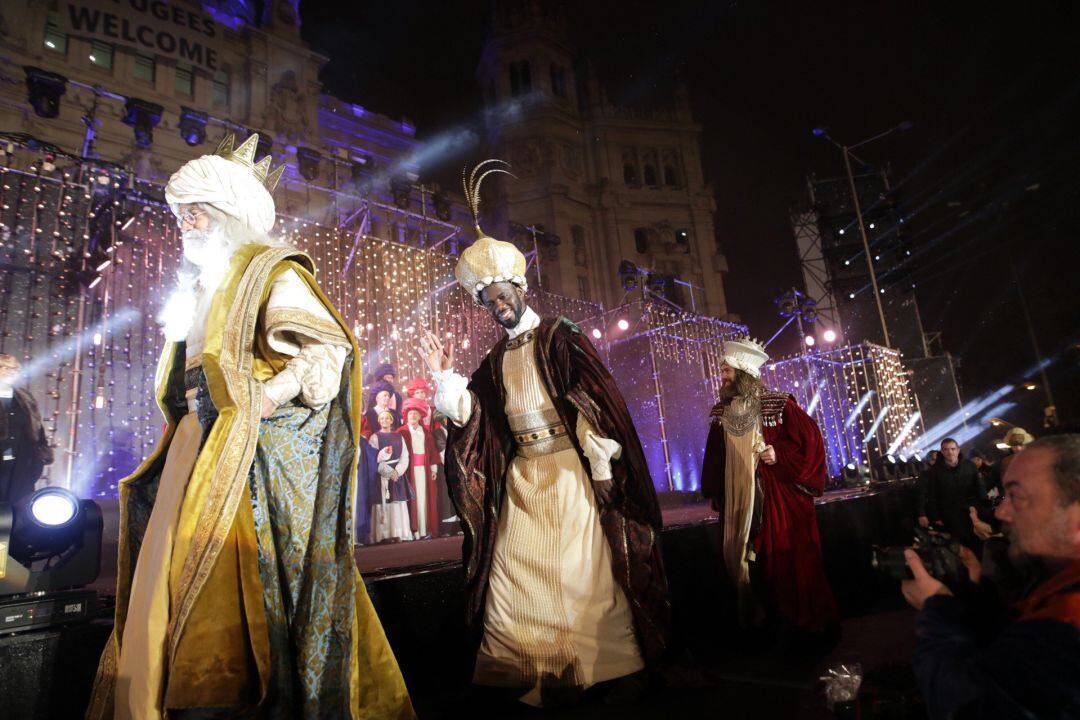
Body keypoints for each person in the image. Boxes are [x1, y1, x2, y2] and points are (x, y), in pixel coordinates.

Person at [86, 133, 413, 719]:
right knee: (167, 572)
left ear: (228, 215)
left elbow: (327, 352)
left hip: (244, 458)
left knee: (234, 577)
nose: (185, 223)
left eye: (197, 212)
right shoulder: (199, 289)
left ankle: (228, 695)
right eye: (180, 213)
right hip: (193, 447)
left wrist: (269, 395)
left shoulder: (268, 272)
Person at [416, 165, 669, 707]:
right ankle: (531, 669)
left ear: (519, 285)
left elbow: (596, 403)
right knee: (515, 573)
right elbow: (477, 419)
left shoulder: (560, 337)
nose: (494, 304)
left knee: (579, 572)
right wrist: (442, 376)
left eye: (499, 293)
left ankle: (598, 665)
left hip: (569, 472)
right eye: (485, 299)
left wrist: (601, 464)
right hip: (524, 478)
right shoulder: (493, 357)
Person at [901, 434, 1080, 720]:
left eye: (1017, 496)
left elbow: (968, 706)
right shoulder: (1052, 583)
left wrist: (936, 613)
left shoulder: (1068, 622)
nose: (1001, 511)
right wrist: (980, 601)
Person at [700, 337, 838, 634]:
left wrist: (780, 453)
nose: (722, 376)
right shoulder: (720, 413)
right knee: (742, 558)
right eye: (722, 371)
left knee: (782, 558)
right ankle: (759, 621)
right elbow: (714, 455)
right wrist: (717, 491)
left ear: (744, 373)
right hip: (738, 496)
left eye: (727, 371)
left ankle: (796, 623)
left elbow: (811, 442)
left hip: (776, 495)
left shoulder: (778, 403)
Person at [0, 354, 53, 502]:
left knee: (19, 498)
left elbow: (36, 425)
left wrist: (41, 449)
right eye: (7, 368)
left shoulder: (24, 396)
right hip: (2, 453)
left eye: (15, 369)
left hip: (22, 456)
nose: (12, 372)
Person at [917, 438, 984, 550]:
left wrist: (983, 506)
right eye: (946, 449)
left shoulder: (969, 466)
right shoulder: (934, 471)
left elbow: (980, 487)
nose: (950, 452)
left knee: (978, 541)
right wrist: (936, 516)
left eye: (953, 449)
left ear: (958, 450)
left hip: (972, 511)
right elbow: (932, 495)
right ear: (942, 452)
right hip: (949, 514)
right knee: (961, 545)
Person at [369, 409, 414, 543]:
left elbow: (405, 456)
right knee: (385, 503)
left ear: (391, 420)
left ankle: (398, 532)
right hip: (382, 475)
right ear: (378, 421)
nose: (384, 421)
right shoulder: (375, 437)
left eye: (387, 418)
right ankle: (384, 535)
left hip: (397, 475)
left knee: (397, 504)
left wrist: (397, 472)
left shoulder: (398, 436)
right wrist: (388, 472)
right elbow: (373, 458)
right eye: (382, 419)